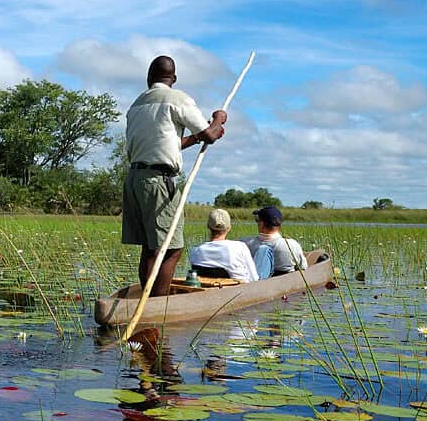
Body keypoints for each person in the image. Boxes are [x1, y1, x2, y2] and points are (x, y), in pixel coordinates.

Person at [122, 55, 227, 296]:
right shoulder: (177, 99)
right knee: (171, 249)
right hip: (159, 181)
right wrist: (219, 119)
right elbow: (210, 134)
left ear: (149, 79)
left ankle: (147, 301)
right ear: (174, 79)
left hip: (135, 180)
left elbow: (168, 144)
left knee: (150, 248)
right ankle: (157, 304)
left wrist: (200, 136)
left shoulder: (137, 105)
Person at [188, 209, 259, 282]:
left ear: (208, 226)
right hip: (238, 290)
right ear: (229, 227)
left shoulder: (195, 251)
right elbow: (254, 278)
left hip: (209, 290)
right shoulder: (240, 247)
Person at [242, 205, 307, 277]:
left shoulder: (245, 244)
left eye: (257, 220)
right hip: (287, 283)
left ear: (262, 224)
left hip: (257, 283)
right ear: (280, 225)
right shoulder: (293, 245)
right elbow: (303, 267)